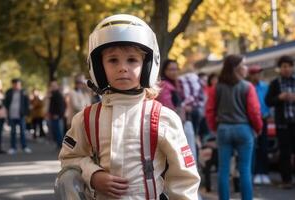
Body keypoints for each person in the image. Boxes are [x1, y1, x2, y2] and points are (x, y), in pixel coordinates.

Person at [58, 14, 200, 199]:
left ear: (148, 65)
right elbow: (69, 159)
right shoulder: (86, 119)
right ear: (99, 67)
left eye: (132, 60)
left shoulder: (163, 118)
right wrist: (93, 175)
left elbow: (184, 179)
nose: (122, 67)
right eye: (113, 60)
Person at [206, 54, 262, 200]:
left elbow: (210, 110)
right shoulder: (247, 87)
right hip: (243, 129)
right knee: (244, 169)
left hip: (224, 129)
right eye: (244, 65)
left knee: (223, 170)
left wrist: (214, 127)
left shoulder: (216, 88)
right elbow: (254, 111)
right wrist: (258, 128)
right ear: (236, 68)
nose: (246, 68)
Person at [265, 55, 295, 189]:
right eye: (284, 66)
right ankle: (286, 180)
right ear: (280, 68)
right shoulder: (275, 83)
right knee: (285, 152)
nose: (287, 69)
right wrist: (279, 97)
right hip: (283, 123)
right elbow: (268, 101)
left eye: (289, 66)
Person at [247, 65, 272, 185]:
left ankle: (264, 173)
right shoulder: (248, 87)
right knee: (254, 147)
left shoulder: (265, 87)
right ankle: (256, 172)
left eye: (259, 73)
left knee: (264, 146)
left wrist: (267, 114)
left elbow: (267, 102)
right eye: (255, 73)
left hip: (264, 119)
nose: (257, 76)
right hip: (251, 121)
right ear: (251, 75)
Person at [4, 78, 31, 154]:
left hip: (21, 115)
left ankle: (24, 146)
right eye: (15, 84)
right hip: (12, 115)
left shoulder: (24, 92)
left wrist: (26, 114)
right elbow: (5, 103)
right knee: (13, 132)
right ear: (12, 85)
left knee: (22, 131)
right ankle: (13, 147)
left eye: (18, 84)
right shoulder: (9, 92)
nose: (16, 86)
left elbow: (27, 104)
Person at [47, 80, 66, 149]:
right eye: (52, 86)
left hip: (57, 116)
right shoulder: (53, 94)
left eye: (54, 86)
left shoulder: (58, 94)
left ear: (57, 86)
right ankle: (59, 144)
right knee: (55, 130)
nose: (53, 87)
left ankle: (61, 145)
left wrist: (58, 114)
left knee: (59, 131)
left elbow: (61, 106)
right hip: (53, 115)